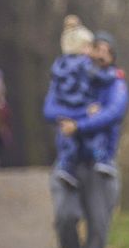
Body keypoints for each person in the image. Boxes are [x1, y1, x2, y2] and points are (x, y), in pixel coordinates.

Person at [44, 31, 129, 248]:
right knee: (64, 215)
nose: (100, 54)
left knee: (99, 223)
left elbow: (113, 113)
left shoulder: (115, 83)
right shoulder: (68, 78)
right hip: (68, 162)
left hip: (100, 165)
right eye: (96, 48)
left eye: (106, 50)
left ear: (113, 57)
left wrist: (78, 125)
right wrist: (82, 115)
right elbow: (50, 109)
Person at [46, 17, 117, 186]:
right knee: (95, 139)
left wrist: (73, 121)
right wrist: (113, 74)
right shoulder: (85, 65)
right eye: (90, 47)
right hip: (82, 105)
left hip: (67, 108)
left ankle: (65, 166)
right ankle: (101, 158)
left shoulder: (59, 66)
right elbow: (101, 76)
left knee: (67, 141)